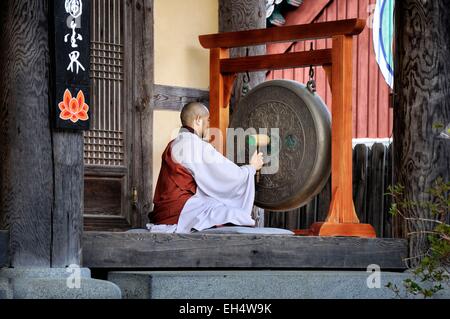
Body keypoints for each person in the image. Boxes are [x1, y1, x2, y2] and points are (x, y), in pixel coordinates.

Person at [151, 102, 264, 233]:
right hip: (181, 210)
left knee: (221, 207)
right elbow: (227, 174)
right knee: (236, 214)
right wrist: (251, 168)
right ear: (198, 120)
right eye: (207, 120)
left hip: (165, 211)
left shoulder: (174, 143)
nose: (209, 125)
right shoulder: (193, 144)